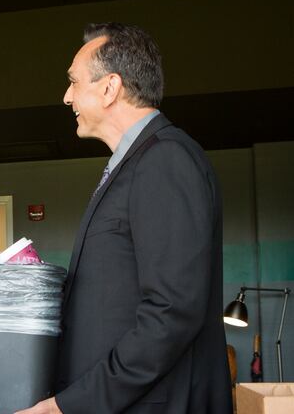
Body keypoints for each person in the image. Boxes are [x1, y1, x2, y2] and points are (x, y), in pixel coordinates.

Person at [18, 23, 232, 413]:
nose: (67, 96)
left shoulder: (165, 160)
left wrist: (70, 405)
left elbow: (171, 313)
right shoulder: (136, 164)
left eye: (73, 82)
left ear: (109, 88)